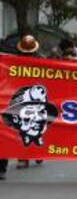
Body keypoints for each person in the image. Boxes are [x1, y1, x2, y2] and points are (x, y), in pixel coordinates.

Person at [14, 35, 44, 169]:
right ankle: (23, 157)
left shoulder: (42, 63)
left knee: (39, 126)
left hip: (38, 99)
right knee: (22, 128)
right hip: (21, 98)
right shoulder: (13, 63)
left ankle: (38, 152)